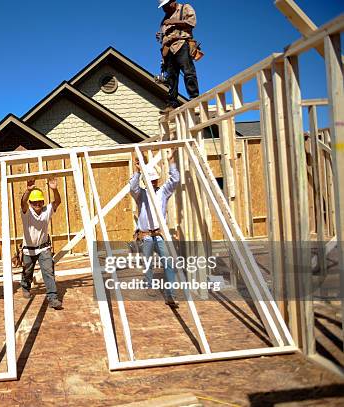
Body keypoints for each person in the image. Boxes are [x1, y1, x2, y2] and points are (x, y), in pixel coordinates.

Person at [129, 150, 180, 307]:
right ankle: (149, 284)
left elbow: (175, 180)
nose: (154, 183)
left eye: (155, 181)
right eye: (151, 181)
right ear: (146, 182)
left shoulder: (163, 192)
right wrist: (137, 171)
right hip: (145, 236)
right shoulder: (141, 195)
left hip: (158, 235)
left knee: (169, 262)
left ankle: (170, 294)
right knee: (148, 263)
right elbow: (132, 187)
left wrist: (171, 163)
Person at [20, 178, 63, 310]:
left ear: (43, 202)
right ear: (31, 203)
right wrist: (28, 190)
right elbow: (22, 202)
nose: (37, 204)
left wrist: (54, 189)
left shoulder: (46, 210)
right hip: (28, 249)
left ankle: (53, 298)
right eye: (34, 202)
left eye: (39, 201)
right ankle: (25, 286)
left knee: (48, 271)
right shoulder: (27, 212)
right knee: (28, 271)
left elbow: (57, 202)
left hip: (44, 248)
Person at [156, 0, 199, 114]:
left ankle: (194, 98)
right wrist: (161, 36)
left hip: (181, 44)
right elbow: (165, 35)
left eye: (166, 5)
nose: (164, 9)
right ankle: (172, 104)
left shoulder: (185, 8)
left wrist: (174, 21)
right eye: (163, 7)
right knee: (171, 77)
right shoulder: (165, 18)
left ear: (173, 1)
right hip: (169, 49)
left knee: (188, 71)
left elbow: (192, 23)